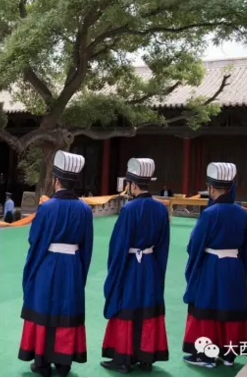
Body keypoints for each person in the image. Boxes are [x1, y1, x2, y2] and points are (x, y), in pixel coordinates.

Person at [19, 151, 93, 377]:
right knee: (67, 309)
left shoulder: (47, 207)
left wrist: (31, 271)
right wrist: (81, 270)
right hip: (72, 265)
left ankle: (42, 361)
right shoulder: (85, 209)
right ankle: (64, 362)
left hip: (48, 263)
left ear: (56, 180)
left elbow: (35, 239)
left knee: (44, 308)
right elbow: (87, 245)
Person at [101, 158, 169, 373]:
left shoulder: (129, 209)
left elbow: (118, 245)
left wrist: (114, 273)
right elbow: (163, 245)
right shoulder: (160, 208)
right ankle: (147, 357)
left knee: (126, 306)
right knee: (148, 307)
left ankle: (124, 357)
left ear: (132, 184)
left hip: (131, 265)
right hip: (150, 265)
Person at [183, 163, 247, 368]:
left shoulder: (210, 213)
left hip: (212, 266)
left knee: (207, 307)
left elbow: (195, 244)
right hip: (235, 266)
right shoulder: (242, 213)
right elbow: (246, 247)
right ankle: (229, 355)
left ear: (211, 188)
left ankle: (206, 356)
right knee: (231, 307)